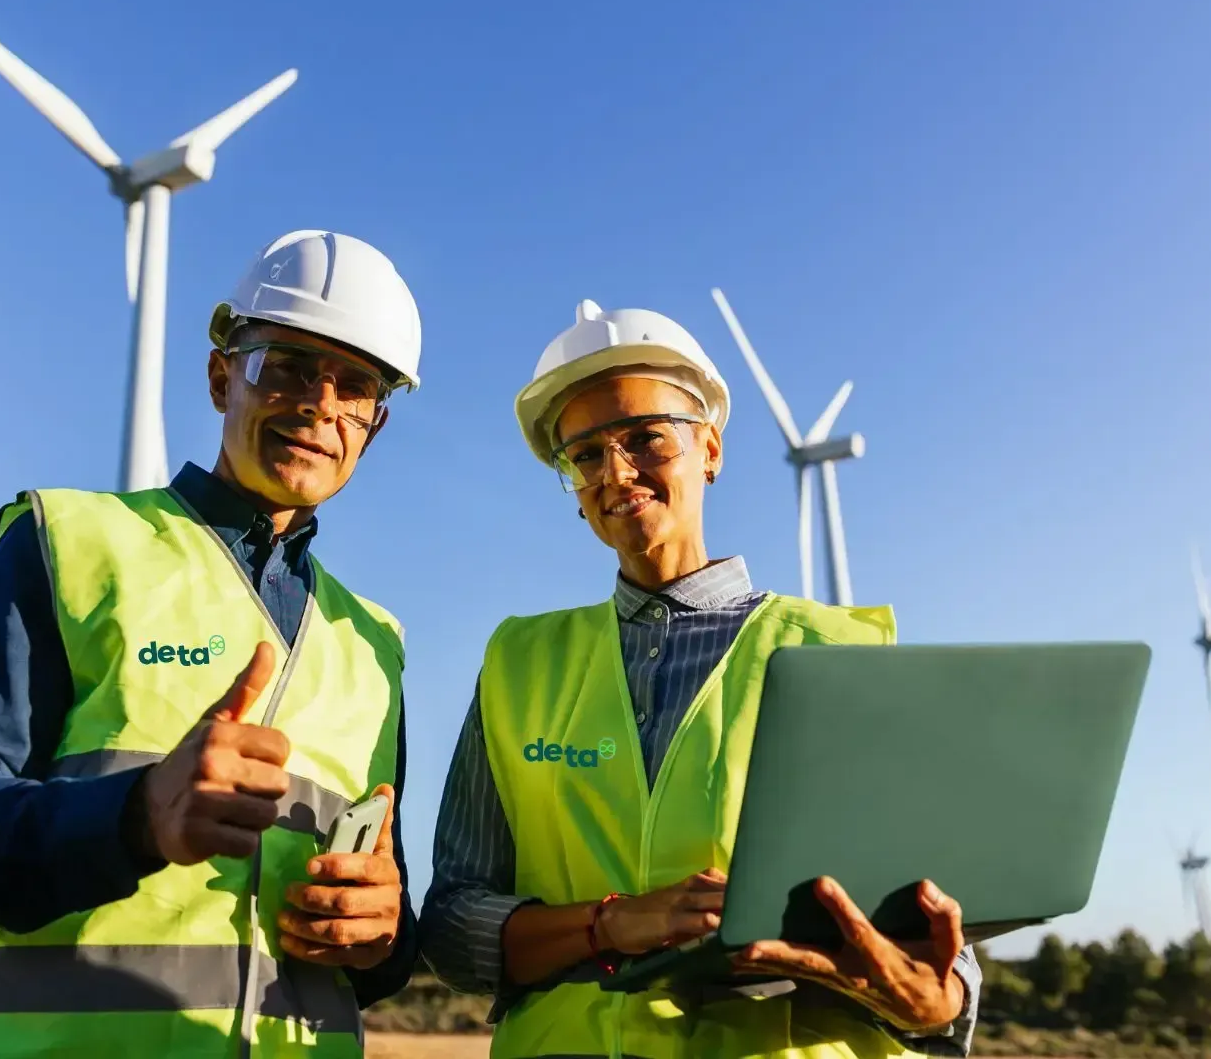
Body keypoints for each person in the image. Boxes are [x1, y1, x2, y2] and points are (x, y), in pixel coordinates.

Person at [0, 229, 426, 1057]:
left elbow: (383, 927)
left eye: (356, 387)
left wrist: (384, 936)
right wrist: (132, 818)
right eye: (285, 366)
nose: (320, 405)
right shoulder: (69, 546)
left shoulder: (374, 646)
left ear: (373, 427)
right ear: (219, 377)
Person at [418, 299, 983, 1059]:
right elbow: (455, 926)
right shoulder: (519, 664)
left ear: (710, 449)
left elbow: (932, 935)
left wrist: (938, 1002)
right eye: (584, 455)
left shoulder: (838, 653)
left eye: (645, 438)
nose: (616, 472)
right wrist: (613, 923)